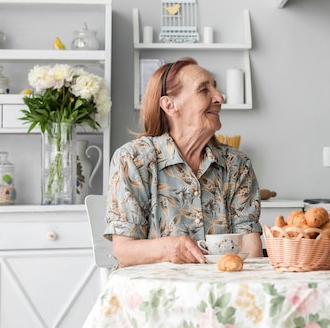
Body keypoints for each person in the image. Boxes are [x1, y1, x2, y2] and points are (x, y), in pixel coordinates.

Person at [104, 57, 263, 266]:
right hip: (156, 292)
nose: (219, 97)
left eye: (215, 88)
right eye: (204, 90)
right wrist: (168, 248)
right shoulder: (133, 160)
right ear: (170, 105)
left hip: (220, 290)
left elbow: (249, 247)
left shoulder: (237, 165)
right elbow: (124, 250)